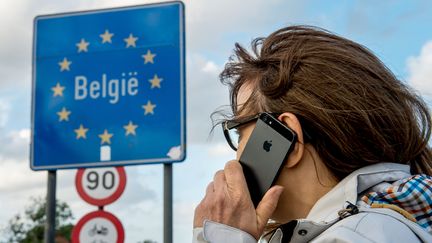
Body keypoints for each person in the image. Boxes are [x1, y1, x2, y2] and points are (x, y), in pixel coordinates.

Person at [192, 25, 432, 242]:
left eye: (239, 135)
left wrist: (219, 237)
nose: (236, 157)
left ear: (288, 136)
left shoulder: (352, 237)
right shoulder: (387, 224)